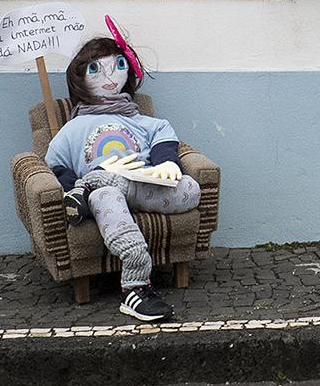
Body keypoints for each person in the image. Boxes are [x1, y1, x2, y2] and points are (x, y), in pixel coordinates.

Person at [42, 29, 202, 322]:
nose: (109, 77)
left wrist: (167, 164)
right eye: (95, 69)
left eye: (117, 65)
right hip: (104, 197)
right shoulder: (74, 128)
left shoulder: (141, 120)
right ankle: (137, 289)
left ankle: (101, 183)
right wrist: (70, 188)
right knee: (105, 194)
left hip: (142, 184)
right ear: (81, 78)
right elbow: (55, 165)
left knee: (190, 188)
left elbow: (164, 139)